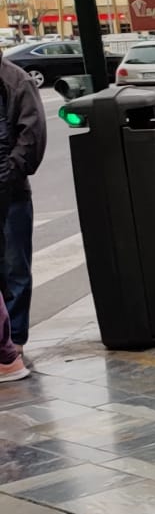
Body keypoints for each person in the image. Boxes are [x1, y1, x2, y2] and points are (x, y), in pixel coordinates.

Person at [0, 47, 44, 352]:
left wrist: (8, 173)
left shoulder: (15, 80)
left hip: (11, 191)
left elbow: (32, 134)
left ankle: (14, 341)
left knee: (14, 268)